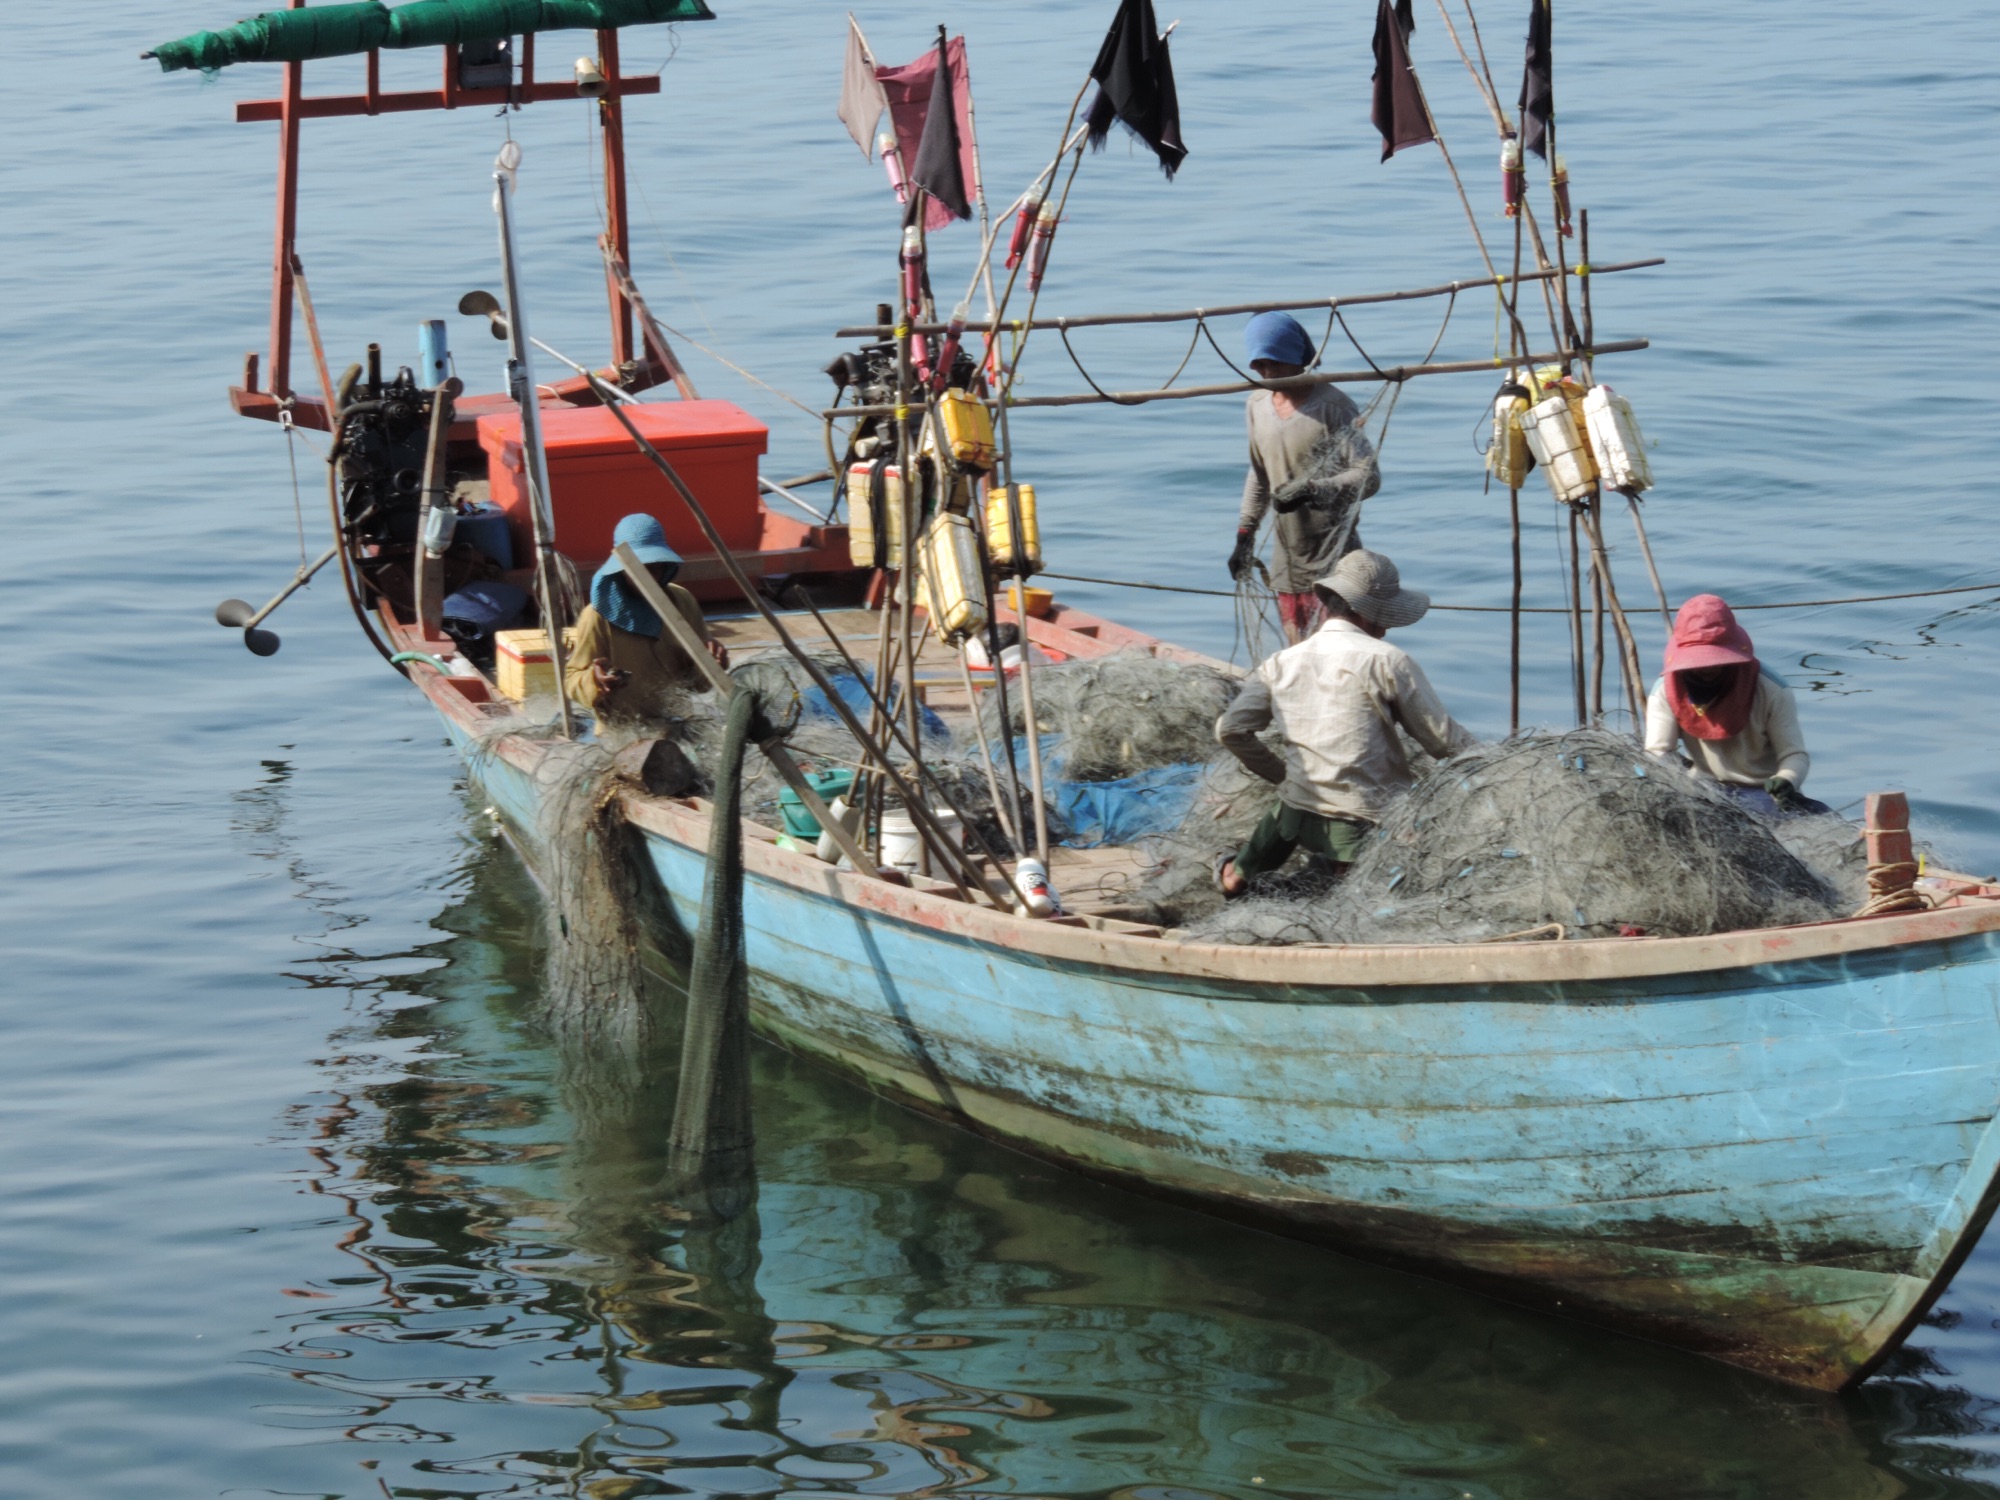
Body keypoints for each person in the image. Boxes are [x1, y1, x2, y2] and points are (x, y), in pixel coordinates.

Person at [1214, 549, 1475, 895]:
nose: (1386, 629)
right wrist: (1497, 761)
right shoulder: (1388, 661)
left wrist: (1282, 775)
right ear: (1370, 612)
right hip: (1362, 818)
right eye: (1386, 616)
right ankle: (1337, 871)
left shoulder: (1281, 662)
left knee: (1239, 876)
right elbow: (1443, 742)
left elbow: (1229, 730)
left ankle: (1235, 874)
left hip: (1292, 811)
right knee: (1355, 894)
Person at [1226, 311, 1381, 644]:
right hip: (1287, 558)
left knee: (1336, 648)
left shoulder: (1333, 407)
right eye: (1260, 367)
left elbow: (1369, 477)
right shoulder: (1257, 405)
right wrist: (1244, 535)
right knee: (1298, 651)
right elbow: (1260, 475)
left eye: (1276, 365)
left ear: (1298, 360)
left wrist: (1315, 490)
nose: (1268, 375)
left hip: (1335, 557)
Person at [1643, 593, 1827, 815]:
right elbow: (1658, 754)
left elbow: (1794, 754)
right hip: (1703, 791)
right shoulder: (1665, 692)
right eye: (1699, 661)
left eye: (1715, 661)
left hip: (1763, 794)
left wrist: (1786, 780)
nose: (1706, 668)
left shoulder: (1771, 690)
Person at [564, 513, 728, 728]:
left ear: (665, 566)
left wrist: (712, 666)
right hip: (621, 730)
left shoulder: (682, 602)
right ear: (621, 569)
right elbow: (571, 680)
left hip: (676, 725)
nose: (647, 577)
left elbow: (697, 684)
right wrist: (595, 682)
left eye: (654, 568)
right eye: (638, 569)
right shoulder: (597, 616)